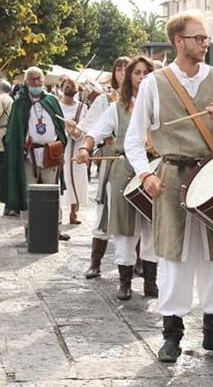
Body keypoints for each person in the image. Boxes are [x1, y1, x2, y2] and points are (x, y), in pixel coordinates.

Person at [125, 10, 213, 363]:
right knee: (173, 256)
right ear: (179, 41)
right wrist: (146, 175)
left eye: (206, 38)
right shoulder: (153, 83)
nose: (205, 44)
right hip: (172, 175)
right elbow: (134, 139)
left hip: (211, 174)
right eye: (199, 38)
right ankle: (172, 335)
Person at [77, 56, 158, 300]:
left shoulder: (160, 108)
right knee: (124, 229)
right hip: (123, 169)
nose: (142, 77)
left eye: (146, 73)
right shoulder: (116, 108)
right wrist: (84, 148)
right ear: (129, 78)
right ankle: (124, 283)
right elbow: (95, 132)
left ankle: (151, 283)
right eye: (137, 73)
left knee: (153, 227)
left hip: (154, 168)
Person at [71, 60, 129, 278]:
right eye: (119, 68)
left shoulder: (143, 98)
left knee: (140, 213)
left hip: (140, 162)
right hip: (112, 160)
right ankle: (95, 263)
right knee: (104, 210)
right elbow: (86, 132)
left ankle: (141, 264)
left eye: (127, 68)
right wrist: (77, 134)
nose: (123, 72)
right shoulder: (105, 100)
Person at [1, 66, 70, 241]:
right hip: (29, 155)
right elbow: (12, 132)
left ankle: (54, 228)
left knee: (52, 192)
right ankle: (29, 228)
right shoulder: (19, 104)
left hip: (50, 153)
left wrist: (60, 145)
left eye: (39, 78)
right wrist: (19, 145)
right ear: (26, 82)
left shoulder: (52, 101)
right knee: (28, 193)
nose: (37, 82)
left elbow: (61, 128)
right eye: (32, 79)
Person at [59, 77, 88, 225]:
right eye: (67, 86)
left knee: (77, 179)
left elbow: (85, 127)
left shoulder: (82, 107)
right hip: (62, 146)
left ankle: (74, 212)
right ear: (61, 88)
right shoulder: (57, 106)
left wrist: (75, 131)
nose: (70, 88)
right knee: (62, 180)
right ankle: (58, 214)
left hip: (78, 146)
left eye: (72, 86)